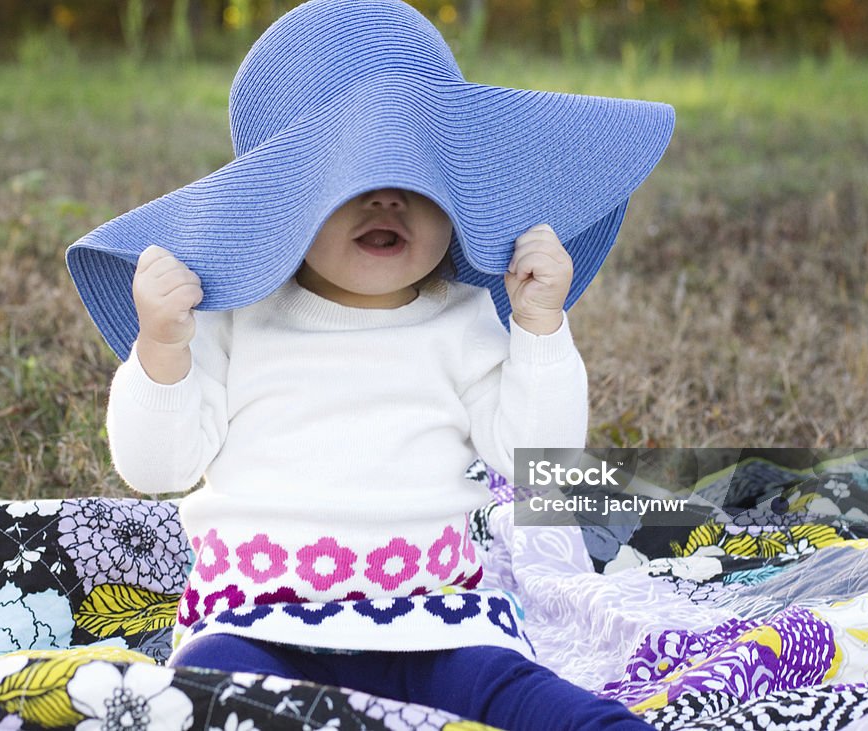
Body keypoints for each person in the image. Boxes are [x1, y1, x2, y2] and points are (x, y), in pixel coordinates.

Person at [66, 1, 674, 728]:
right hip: (260, 619)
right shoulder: (233, 317)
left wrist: (540, 330)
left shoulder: (463, 315)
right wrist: (162, 351)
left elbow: (533, 455)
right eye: (353, 177)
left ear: (459, 197)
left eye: (418, 177)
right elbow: (156, 466)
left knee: (529, 699)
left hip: (435, 621)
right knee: (210, 697)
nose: (388, 196)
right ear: (282, 201)